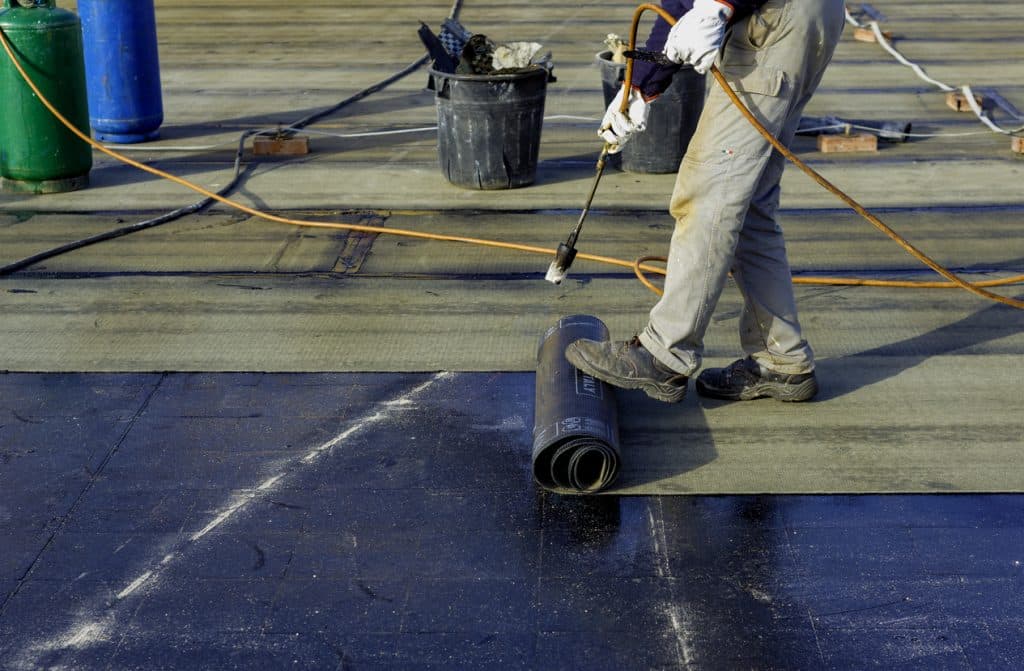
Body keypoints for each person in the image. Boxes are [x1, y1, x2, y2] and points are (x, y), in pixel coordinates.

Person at [566, 0, 845, 403]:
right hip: (808, 14)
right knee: (748, 203)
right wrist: (642, 86)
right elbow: (678, 5)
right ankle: (781, 358)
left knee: (707, 190)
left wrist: (719, 4)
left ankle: (665, 353)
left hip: (777, 18)